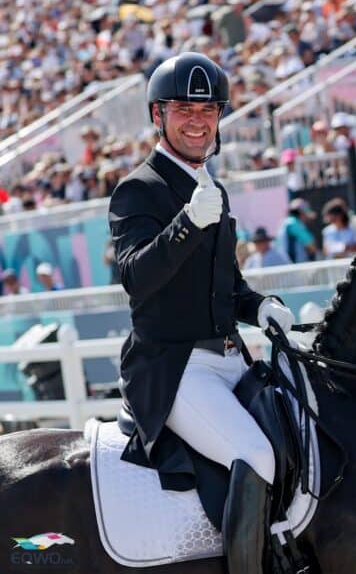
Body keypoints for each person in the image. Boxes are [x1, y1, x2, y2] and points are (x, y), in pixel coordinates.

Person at [108, 52, 295, 574]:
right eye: (183, 109)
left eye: (208, 110)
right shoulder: (137, 190)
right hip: (174, 369)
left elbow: (226, 288)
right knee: (255, 456)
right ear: (158, 116)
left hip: (229, 359)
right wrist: (187, 225)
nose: (197, 120)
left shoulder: (213, 189)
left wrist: (261, 308)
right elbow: (137, 279)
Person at [277, 198, 318, 263]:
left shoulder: (284, 223)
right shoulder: (293, 223)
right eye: (306, 215)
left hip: (287, 266)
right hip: (295, 267)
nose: (307, 219)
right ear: (301, 213)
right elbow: (311, 245)